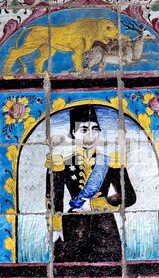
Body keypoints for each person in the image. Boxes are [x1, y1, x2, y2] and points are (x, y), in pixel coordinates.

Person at [46, 105, 136, 266]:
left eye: (95, 129)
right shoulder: (61, 162)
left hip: (104, 228)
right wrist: (57, 227)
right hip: (72, 227)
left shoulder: (111, 161)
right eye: (84, 130)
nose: (90, 135)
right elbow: (54, 197)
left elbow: (129, 197)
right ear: (73, 133)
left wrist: (94, 205)